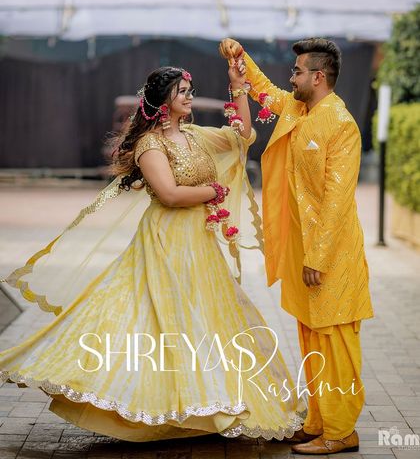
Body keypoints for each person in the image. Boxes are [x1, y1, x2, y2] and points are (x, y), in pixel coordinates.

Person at [0, 66, 305, 442]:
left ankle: (210, 403)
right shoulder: (151, 146)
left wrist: (238, 88)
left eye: (190, 90)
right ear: (163, 101)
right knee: (167, 319)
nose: (189, 97)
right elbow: (170, 195)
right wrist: (215, 193)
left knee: (209, 318)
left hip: (200, 243)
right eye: (182, 92)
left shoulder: (194, 135)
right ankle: (165, 403)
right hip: (166, 240)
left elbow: (243, 135)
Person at [219, 38, 374, 455]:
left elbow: (338, 201)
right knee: (311, 339)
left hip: (331, 257)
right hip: (303, 253)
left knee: (335, 341)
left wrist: (318, 258)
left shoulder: (339, 124)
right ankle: (318, 422)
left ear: (318, 77)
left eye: (298, 72)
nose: (292, 79)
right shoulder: (297, 108)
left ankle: (342, 432)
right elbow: (264, 88)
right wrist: (239, 58)